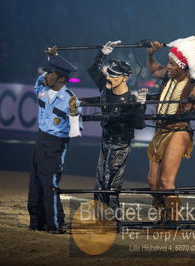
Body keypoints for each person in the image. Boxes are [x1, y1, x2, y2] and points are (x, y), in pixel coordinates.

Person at [146, 33, 195, 222]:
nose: (167, 67)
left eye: (171, 64)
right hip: (160, 130)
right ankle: (162, 216)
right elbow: (154, 69)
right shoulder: (168, 75)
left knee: (166, 181)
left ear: (183, 66)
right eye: (168, 63)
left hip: (179, 131)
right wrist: (150, 54)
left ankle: (172, 222)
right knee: (153, 182)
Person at [86, 40, 147, 213]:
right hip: (106, 139)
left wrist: (140, 106)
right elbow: (92, 70)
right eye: (109, 73)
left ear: (125, 78)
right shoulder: (106, 88)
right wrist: (102, 54)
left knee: (111, 185)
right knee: (99, 183)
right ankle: (100, 218)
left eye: (114, 75)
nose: (109, 77)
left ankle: (113, 220)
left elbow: (139, 125)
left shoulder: (130, 101)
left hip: (120, 144)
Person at [27, 47, 82, 234]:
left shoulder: (70, 99)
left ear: (61, 79)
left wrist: (75, 115)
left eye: (51, 73)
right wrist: (52, 57)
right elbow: (38, 83)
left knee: (49, 184)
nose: (46, 75)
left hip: (55, 145)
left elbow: (75, 133)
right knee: (35, 181)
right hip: (40, 139)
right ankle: (36, 222)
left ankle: (55, 224)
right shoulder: (42, 89)